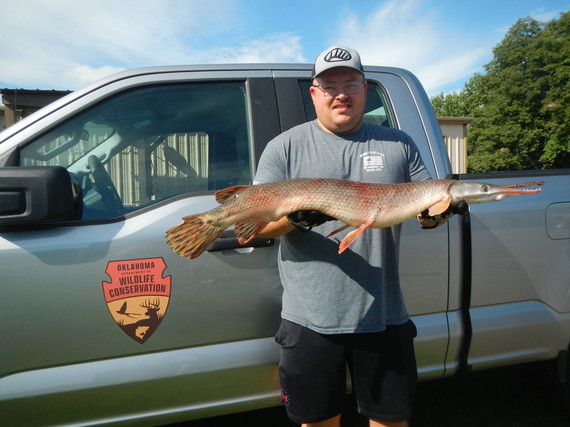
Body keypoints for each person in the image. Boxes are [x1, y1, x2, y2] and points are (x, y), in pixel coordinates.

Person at [254, 46, 455, 427]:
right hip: (309, 320)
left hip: (383, 315)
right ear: (314, 93)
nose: (341, 93)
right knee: (316, 422)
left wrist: (442, 212)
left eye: (350, 83)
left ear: (365, 89)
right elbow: (260, 229)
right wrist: (298, 219)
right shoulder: (283, 148)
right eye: (329, 85)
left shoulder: (398, 144)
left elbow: (426, 214)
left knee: (390, 420)